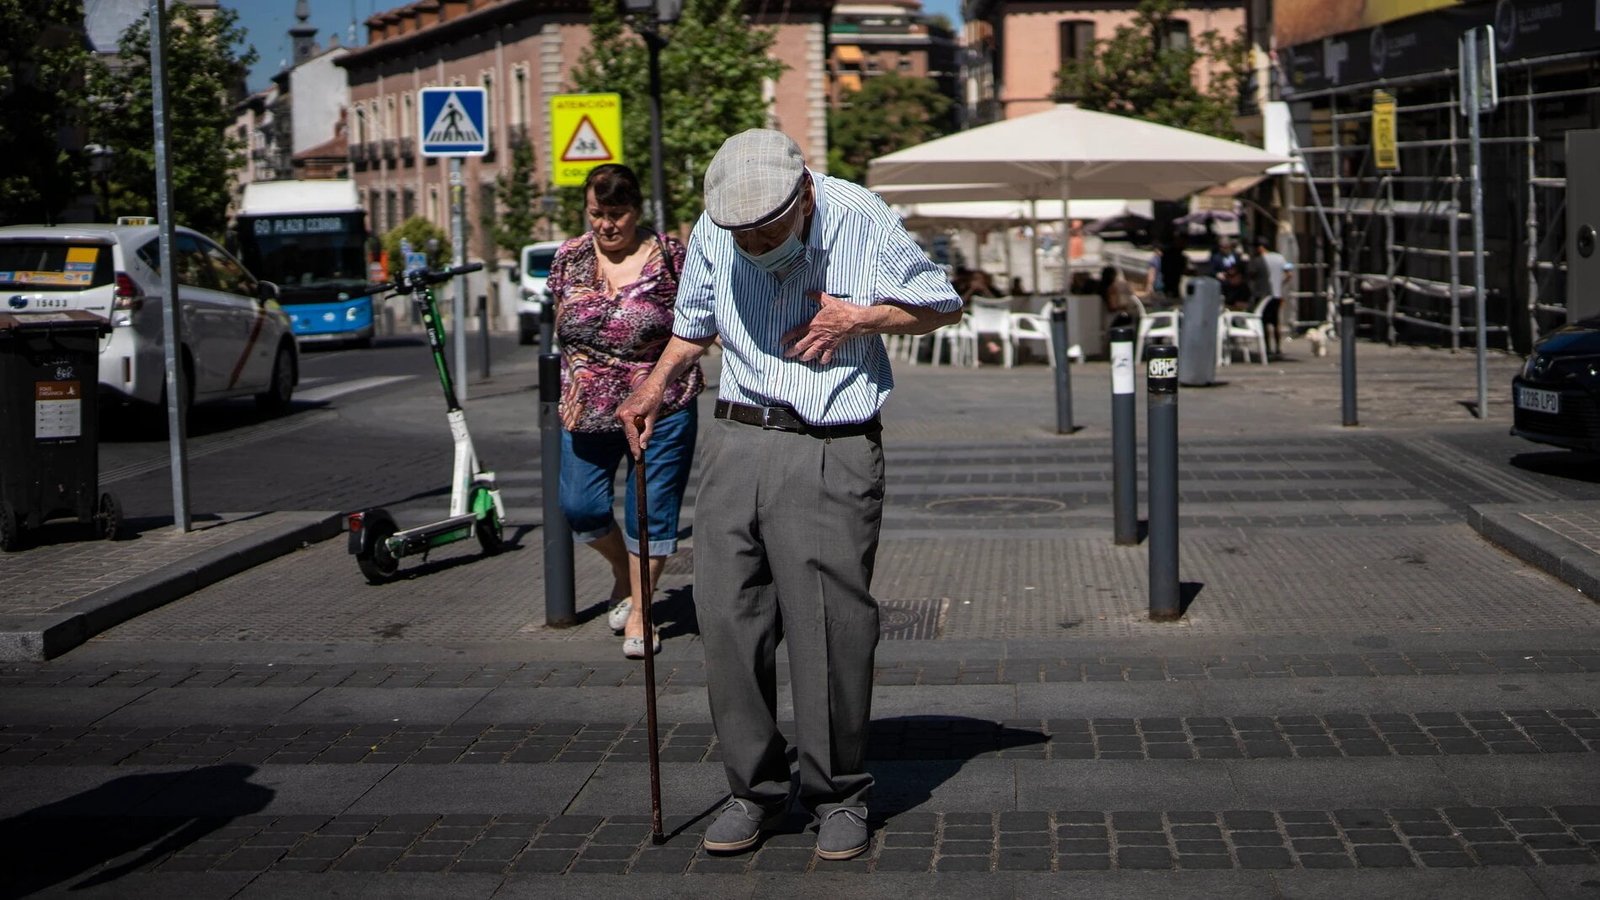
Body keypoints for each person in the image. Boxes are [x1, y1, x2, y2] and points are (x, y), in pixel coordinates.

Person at [616, 129, 961, 861]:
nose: (751, 244)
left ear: (803, 196)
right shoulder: (717, 226)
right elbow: (694, 325)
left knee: (830, 628)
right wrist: (653, 386)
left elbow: (940, 303)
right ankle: (755, 790)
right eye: (740, 233)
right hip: (736, 438)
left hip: (830, 444)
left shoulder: (857, 215)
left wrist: (861, 317)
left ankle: (838, 792)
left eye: (766, 230)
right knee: (726, 617)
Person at [545, 163, 702, 660]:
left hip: (661, 406)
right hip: (586, 409)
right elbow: (561, 321)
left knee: (650, 513)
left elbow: (696, 327)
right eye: (597, 213)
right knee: (581, 507)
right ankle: (624, 575)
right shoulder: (568, 257)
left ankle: (641, 610)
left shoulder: (671, 257)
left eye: (618, 213)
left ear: (637, 211)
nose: (607, 224)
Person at [1247, 234, 1290, 358]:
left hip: (1264, 294)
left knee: (1264, 321)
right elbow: (1289, 273)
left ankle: (1267, 348)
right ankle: (1278, 347)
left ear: (1260, 247)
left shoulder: (1260, 260)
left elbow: (1252, 276)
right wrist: (1280, 283)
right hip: (1277, 294)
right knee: (1276, 322)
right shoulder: (1280, 257)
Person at [1099, 264, 1136, 328]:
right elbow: (1112, 306)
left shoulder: (1101, 287)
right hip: (1112, 317)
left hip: (1103, 316)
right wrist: (1124, 306)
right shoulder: (1111, 288)